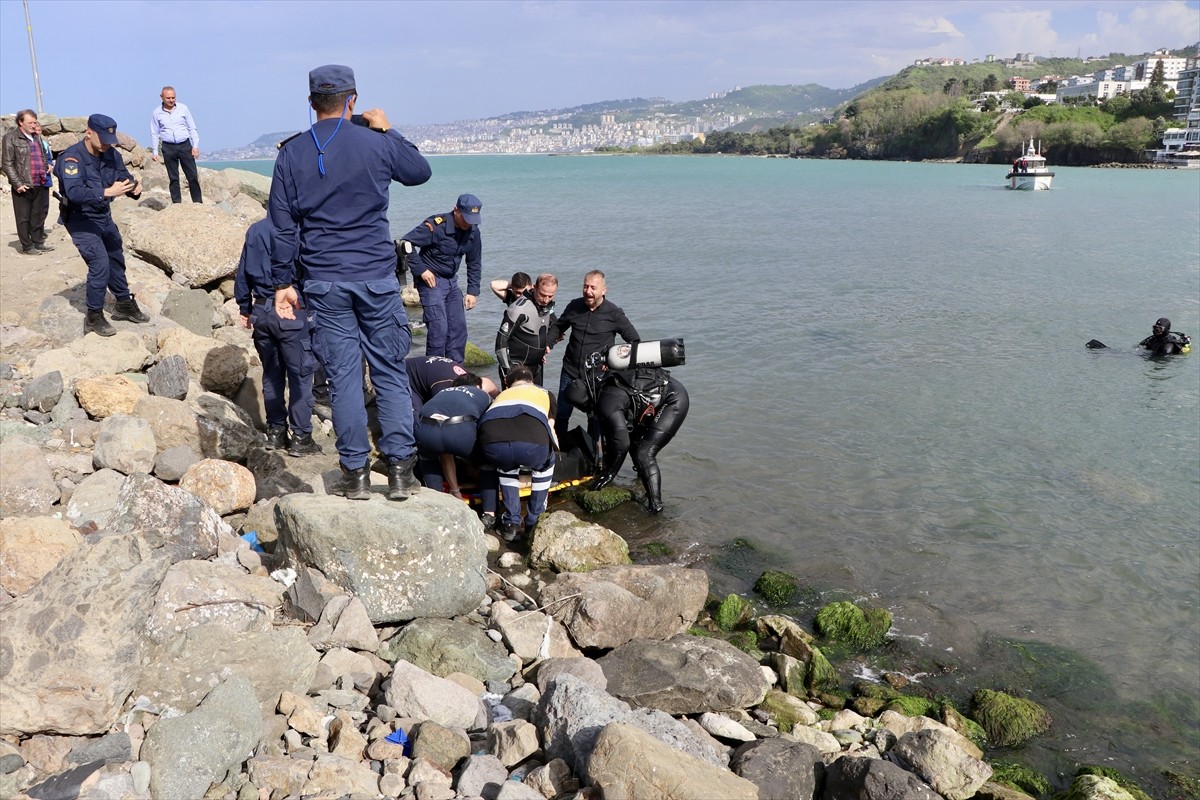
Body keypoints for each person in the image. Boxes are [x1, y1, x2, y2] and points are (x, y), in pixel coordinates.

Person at [268, 64, 432, 500]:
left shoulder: (290, 153)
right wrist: (388, 130)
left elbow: (282, 228)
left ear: (310, 103)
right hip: (376, 277)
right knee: (390, 373)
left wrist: (283, 282)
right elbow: (419, 171)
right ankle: (400, 472)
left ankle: (355, 475)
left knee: (342, 379)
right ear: (353, 100)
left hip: (323, 281)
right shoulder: (376, 143)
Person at [55, 114, 151, 337]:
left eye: (111, 138)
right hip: (80, 218)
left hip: (102, 215)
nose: (108, 143)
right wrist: (106, 192)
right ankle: (94, 316)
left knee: (115, 257)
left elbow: (124, 177)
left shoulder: (111, 154)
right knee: (99, 263)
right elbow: (74, 191)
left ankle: (124, 304)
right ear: (89, 133)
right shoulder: (72, 158)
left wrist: (134, 187)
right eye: (104, 138)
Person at [234, 218, 322, 457]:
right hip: (291, 310)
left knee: (272, 375)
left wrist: (244, 307)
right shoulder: (300, 228)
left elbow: (242, 270)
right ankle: (302, 436)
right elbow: (311, 269)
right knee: (301, 376)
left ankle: (276, 432)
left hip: (261, 311)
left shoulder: (256, 229)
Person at [546, 270, 639, 437]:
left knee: (595, 417)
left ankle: (593, 457)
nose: (588, 291)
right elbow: (559, 326)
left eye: (593, 287)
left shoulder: (614, 313)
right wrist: (548, 343)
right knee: (562, 413)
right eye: (585, 286)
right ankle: (559, 451)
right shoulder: (574, 306)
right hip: (570, 370)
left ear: (603, 290)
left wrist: (613, 362)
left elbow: (634, 341)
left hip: (598, 376)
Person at [590, 367, 689, 513]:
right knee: (635, 443)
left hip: (673, 399)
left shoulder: (606, 403)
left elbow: (622, 444)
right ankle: (643, 482)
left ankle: (656, 507)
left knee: (644, 453)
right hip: (658, 392)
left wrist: (609, 474)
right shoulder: (606, 385)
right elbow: (626, 439)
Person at [478, 366, 558, 541]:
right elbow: (550, 427)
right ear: (532, 382)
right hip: (532, 442)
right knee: (545, 464)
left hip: (493, 442)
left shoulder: (500, 396)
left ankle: (511, 524)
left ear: (508, 385)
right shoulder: (544, 393)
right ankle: (533, 523)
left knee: (506, 467)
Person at [401, 194, 483, 362]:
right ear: (456, 210)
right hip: (431, 282)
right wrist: (421, 270)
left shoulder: (473, 231)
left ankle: (455, 372)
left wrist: (472, 291)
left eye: (473, 219)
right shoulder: (436, 225)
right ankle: (434, 372)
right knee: (439, 329)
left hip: (451, 282)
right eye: (466, 218)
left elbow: (474, 262)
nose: (469, 223)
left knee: (458, 329)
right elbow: (405, 244)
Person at [413, 373, 494, 497]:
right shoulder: (482, 394)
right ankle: (489, 512)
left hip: (426, 430)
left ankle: (440, 496)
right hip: (459, 431)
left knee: (431, 457)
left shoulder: (442, 392)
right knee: (487, 459)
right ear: (478, 386)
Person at [2, 109, 55, 255]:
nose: (33, 125)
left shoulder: (36, 137)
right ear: (20, 122)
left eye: (35, 122)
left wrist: (45, 169)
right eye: (30, 122)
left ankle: (38, 242)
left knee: (37, 215)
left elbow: (43, 156)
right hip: (23, 184)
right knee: (23, 217)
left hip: (39, 181)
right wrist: (17, 183)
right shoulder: (10, 138)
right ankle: (27, 246)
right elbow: (7, 163)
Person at [496, 272, 557, 386]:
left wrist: (548, 344)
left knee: (538, 403)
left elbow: (556, 327)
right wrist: (507, 371)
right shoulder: (518, 309)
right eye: (542, 294)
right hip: (516, 368)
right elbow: (500, 342)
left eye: (550, 296)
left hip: (537, 367)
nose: (546, 300)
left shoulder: (546, 307)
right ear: (534, 288)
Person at [149, 86, 202, 204]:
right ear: (161, 97)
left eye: (173, 97)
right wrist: (155, 152)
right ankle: (176, 203)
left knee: (192, 176)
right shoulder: (156, 112)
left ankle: (198, 202)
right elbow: (154, 133)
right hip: (168, 147)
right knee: (173, 178)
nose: (171, 100)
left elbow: (192, 127)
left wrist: (195, 146)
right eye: (168, 98)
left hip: (185, 145)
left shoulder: (183, 108)